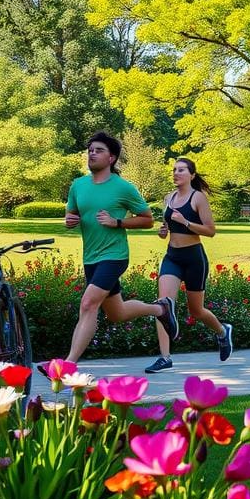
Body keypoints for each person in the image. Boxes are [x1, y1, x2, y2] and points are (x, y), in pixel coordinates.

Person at [61, 131, 178, 365]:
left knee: (88, 303)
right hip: (91, 256)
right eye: (90, 150)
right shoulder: (78, 186)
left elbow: (147, 219)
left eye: (99, 150)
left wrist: (118, 222)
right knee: (117, 314)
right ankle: (160, 310)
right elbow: (71, 213)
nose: (92, 153)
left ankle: (67, 365)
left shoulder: (123, 188)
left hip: (114, 255)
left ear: (111, 158)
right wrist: (70, 220)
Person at [144, 158, 234, 374]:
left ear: (192, 175)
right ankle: (165, 357)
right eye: (174, 170)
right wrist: (163, 231)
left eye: (181, 170)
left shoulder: (198, 198)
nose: (176, 173)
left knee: (197, 311)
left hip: (194, 259)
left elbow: (210, 231)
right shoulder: (169, 197)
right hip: (172, 257)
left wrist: (185, 222)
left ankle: (223, 332)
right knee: (163, 305)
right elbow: (167, 226)